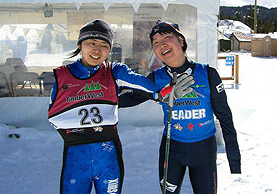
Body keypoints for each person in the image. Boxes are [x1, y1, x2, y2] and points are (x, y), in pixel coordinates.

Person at [47, 19, 194, 194]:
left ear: (109, 49)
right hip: (76, 156)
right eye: (91, 43)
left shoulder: (113, 71)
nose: (97, 49)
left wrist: (162, 93)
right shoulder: (62, 75)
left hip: (108, 155)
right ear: (80, 45)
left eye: (104, 45)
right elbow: (54, 115)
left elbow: (141, 83)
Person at [119, 20, 241, 194]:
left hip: (204, 150)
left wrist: (234, 160)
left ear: (181, 41)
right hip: (172, 149)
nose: (162, 45)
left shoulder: (207, 73)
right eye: (156, 43)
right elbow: (129, 98)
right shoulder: (157, 78)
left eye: (167, 37)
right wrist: (100, 98)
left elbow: (225, 117)